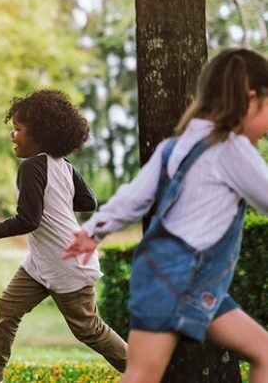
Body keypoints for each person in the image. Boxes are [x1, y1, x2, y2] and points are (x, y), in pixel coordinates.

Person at [63, 48, 268, 383]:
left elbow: (134, 197)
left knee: (263, 351)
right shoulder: (231, 148)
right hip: (181, 279)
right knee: (143, 375)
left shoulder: (177, 145)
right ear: (250, 98)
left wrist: (93, 232)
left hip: (179, 279)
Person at [0, 89, 127, 383]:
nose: (13, 135)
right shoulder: (64, 166)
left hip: (66, 261)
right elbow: (88, 202)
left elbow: (27, 221)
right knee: (8, 309)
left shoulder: (32, 167)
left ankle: (146, 372)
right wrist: (56, 203)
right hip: (41, 262)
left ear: (40, 134)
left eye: (18, 129)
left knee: (88, 329)